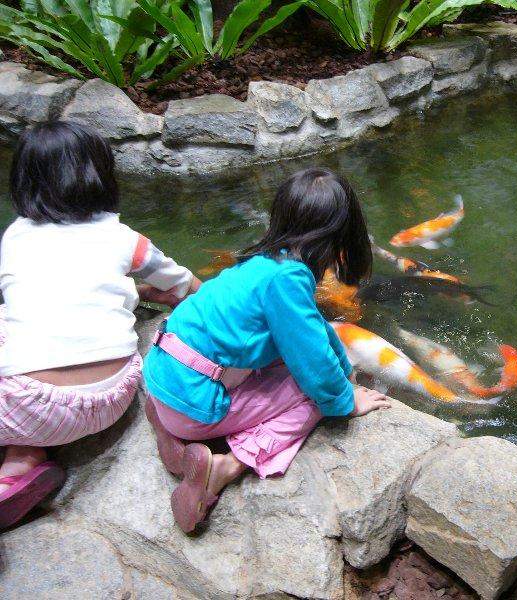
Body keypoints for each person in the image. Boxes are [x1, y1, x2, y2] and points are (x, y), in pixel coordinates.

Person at [143, 167, 391, 533]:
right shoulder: (289, 280)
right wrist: (346, 400)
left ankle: (170, 432)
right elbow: (316, 369)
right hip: (192, 407)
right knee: (315, 398)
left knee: (291, 367)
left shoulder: (262, 264)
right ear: (343, 232)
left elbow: (316, 330)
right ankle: (225, 468)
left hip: (163, 379)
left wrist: (344, 364)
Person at [0, 121, 200, 528]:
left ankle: (21, 456)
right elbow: (191, 288)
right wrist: (145, 291)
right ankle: (21, 464)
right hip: (112, 397)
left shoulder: (16, 236)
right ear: (101, 177)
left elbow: (44, 295)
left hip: (24, 404)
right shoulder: (126, 239)